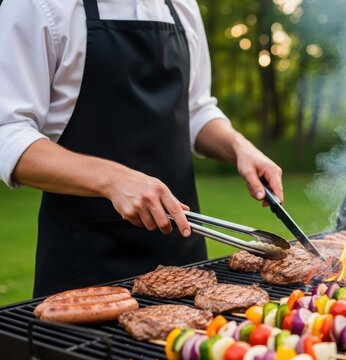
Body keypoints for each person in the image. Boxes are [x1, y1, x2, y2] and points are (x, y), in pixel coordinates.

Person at [0, 0, 283, 297]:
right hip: (87, 265)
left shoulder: (182, 5)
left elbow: (195, 110)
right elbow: (8, 132)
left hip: (186, 260)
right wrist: (112, 179)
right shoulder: (38, 4)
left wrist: (239, 147)